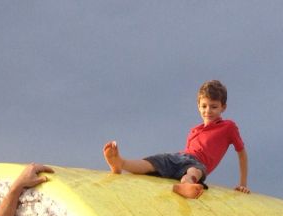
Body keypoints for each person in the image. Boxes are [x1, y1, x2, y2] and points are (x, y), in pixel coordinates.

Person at [103, 79, 250, 199]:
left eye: (214, 107)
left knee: (194, 171)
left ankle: (186, 186)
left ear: (223, 107)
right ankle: (121, 163)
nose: (208, 111)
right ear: (198, 106)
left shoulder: (228, 127)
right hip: (180, 157)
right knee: (154, 162)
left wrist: (242, 183)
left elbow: (241, 153)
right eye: (204, 106)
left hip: (197, 163)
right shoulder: (194, 130)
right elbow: (186, 153)